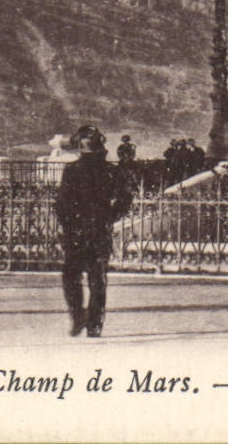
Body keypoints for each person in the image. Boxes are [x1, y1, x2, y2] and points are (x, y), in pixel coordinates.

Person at [55, 125, 132, 338]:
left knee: (72, 275)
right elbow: (126, 199)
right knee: (97, 278)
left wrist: (67, 224)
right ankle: (94, 323)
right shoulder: (112, 171)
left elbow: (61, 203)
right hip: (98, 229)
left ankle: (79, 316)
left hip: (76, 230)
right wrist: (110, 216)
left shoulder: (72, 170)